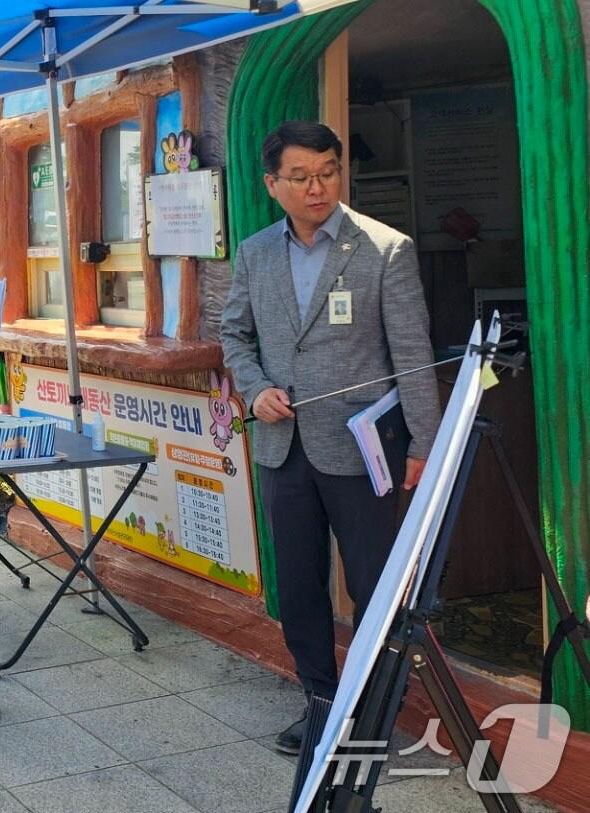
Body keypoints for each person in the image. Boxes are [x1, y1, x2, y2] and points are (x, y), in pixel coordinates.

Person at [220, 121, 440, 755]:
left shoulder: (384, 249)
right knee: (297, 586)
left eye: (327, 172)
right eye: (300, 177)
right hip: (282, 446)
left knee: (374, 585)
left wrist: (423, 445)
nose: (316, 187)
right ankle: (320, 701)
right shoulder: (256, 252)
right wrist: (255, 389)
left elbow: (413, 355)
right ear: (273, 184)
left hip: (362, 449)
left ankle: (372, 709)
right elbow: (235, 334)